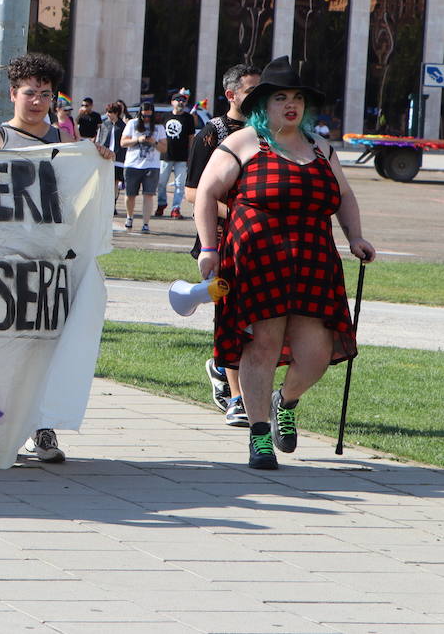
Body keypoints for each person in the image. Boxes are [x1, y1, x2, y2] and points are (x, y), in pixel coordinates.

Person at [195, 56, 375, 470]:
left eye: (296, 98)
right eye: (280, 98)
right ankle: (260, 436)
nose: (290, 105)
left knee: (317, 352)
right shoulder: (243, 142)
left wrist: (356, 237)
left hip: (314, 261)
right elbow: (205, 194)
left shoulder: (319, 147)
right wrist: (208, 249)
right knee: (262, 345)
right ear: (263, 104)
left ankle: (285, 400)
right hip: (256, 262)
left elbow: (344, 195)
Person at [0, 52, 110, 464]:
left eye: (45, 94)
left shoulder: (63, 142)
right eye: (30, 93)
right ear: (12, 95)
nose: (38, 101)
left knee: (43, 346)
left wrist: (96, 159)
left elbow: (74, 191)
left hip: (48, 263)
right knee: (2, 347)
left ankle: (40, 427)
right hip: (2, 264)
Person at [186, 63, 261, 428]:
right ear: (231, 95)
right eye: (250, 90)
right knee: (230, 315)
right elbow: (192, 193)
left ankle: (219, 366)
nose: (259, 96)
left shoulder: (266, 132)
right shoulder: (212, 133)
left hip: (256, 241)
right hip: (221, 242)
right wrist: (240, 212)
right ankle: (237, 398)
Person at [120, 101, 165, 233]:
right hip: (132, 164)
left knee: (149, 195)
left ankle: (146, 223)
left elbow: (164, 148)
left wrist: (154, 142)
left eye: (149, 116)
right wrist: (137, 140)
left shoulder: (159, 127)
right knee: (130, 194)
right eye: (144, 116)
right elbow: (123, 142)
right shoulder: (132, 124)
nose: (146, 119)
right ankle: (129, 217)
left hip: (151, 165)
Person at [156, 90, 196, 218]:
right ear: (172, 102)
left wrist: (190, 155)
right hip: (166, 155)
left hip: (182, 156)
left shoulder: (189, 118)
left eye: (183, 100)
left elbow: (191, 137)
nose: (181, 102)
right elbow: (159, 135)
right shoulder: (165, 116)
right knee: (161, 182)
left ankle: (176, 208)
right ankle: (161, 204)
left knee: (180, 184)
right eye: (178, 100)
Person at [95, 101, 128, 212]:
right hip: (105, 156)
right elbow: (99, 139)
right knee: (105, 181)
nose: (108, 114)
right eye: (108, 112)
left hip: (119, 157)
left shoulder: (123, 126)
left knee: (115, 182)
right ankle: (105, 203)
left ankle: (112, 204)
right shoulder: (104, 124)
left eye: (111, 112)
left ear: (117, 113)